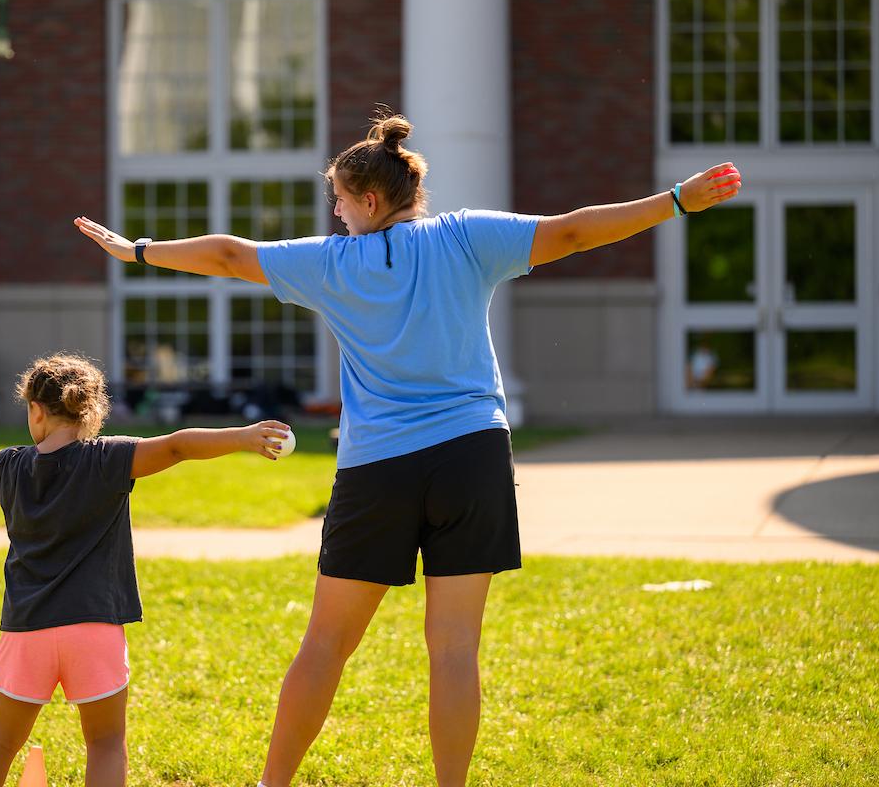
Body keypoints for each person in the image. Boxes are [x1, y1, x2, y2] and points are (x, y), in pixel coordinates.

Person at [75, 114, 741, 786]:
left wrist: (138, 250)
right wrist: (677, 200)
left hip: (377, 470)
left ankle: (271, 786)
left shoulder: (330, 263)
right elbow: (572, 230)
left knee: (326, 644)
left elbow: (227, 254)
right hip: (472, 458)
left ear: (369, 200)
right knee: (454, 650)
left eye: (338, 198)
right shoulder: (467, 237)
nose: (333, 212)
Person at [0, 352, 290, 787]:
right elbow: (177, 445)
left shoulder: (8, 466)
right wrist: (243, 435)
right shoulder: (110, 458)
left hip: (28, 630)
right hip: (94, 628)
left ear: (37, 411)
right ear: (92, 411)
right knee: (105, 742)